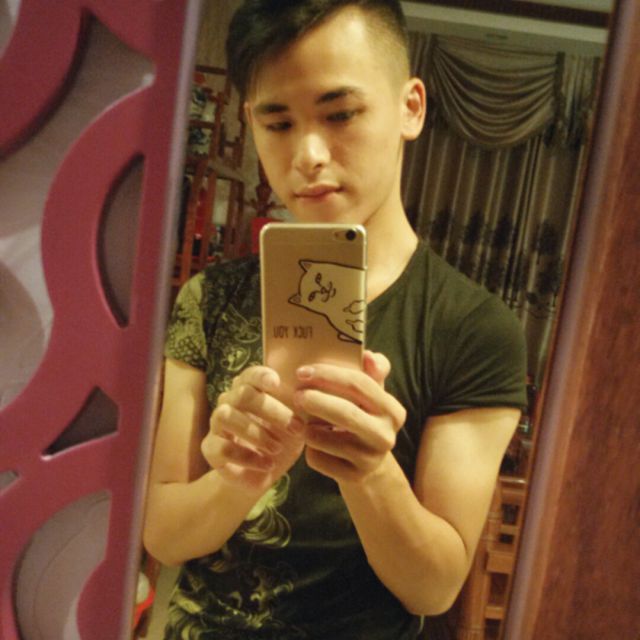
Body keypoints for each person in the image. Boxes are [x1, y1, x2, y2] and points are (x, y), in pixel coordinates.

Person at [143, 1, 527, 638]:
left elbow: (432, 588)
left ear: (411, 107)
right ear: (250, 123)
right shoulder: (209, 298)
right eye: (278, 123)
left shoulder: (475, 328)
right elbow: (163, 536)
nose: (308, 155)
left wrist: (372, 472)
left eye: (340, 113)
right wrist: (242, 476)